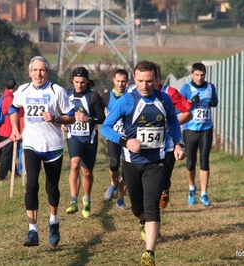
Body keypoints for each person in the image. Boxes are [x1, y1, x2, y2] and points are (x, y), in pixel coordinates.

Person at [101, 60, 185, 266]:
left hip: (156, 161)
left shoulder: (164, 99)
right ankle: (142, 221)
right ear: (134, 80)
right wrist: (126, 141)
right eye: (140, 81)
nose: (145, 86)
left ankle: (150, 253)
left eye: (149, 81)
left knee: (152, 206)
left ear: (156, 80)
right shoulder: (127, 101)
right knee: (138, 208)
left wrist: (178, 143)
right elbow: (106, 127)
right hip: (131, 162)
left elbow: (173, 122)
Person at [9, 56, 75, 247]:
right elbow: (14, 108)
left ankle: (54, 221)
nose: (38, 74)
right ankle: (33, 231)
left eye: (42, 70)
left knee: (52, 188)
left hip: (53, 145)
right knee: (31, 185)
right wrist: (14, 128)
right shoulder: (23, 90)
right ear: (30, 72)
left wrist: (55, 117)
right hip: (31, 143)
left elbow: (71, 118)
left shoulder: (57, 91)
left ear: (48, 73)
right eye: (35, 70)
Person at [62, 67, 105, 218]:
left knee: (87, 172)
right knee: (74, 164)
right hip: (74, 135)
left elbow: (102, 118)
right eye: (77, 82)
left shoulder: (93, 96)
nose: (79, 85)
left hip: (90, 137)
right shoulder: (66, 95)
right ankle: (73, 200)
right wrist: (63, 122)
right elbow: (62, 113)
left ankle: (86, 199)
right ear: (72, 81)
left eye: (82, 82)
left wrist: (88, 119)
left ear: (87, 81)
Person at [179, 62, 219, 206]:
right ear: (192, 74)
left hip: (206, 129)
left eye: (202, 75)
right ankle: (191, 188)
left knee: (204, 160)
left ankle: (204, 193)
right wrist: (190, 102)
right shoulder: (186, 88)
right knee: (190, 162)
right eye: (197, 75)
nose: (200, 78)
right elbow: (178, 108)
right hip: (190, 129)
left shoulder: (210, 87)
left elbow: (215, 102)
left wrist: (214, 102)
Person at [153, 64, 192, 210]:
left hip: (168, 145)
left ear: (158, 78)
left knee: (163, 179)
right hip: (147, 145)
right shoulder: (137, 93)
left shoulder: (170, 93)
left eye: (153, 79)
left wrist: (168, 124)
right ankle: (151, 215)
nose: (148, 83)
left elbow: (188, 113)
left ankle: (165, 187)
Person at [101, 69, 129, 210]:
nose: (120, 84)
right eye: (118, 81)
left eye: (123, 81)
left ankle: (121, 199)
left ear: (127, 82)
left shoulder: (131, 97)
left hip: (129, 137)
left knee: (127, 169)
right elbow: (97, 115)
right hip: (113, 136)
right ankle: (113, 184)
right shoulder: (106, 97)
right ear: (113, 81)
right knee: (114, 165)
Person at [0, 78, 20, 181]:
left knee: (9, 152)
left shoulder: (3, 96)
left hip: (1, 128)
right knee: (6, 153)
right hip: (7, 129)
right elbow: (14, 113)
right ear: (15, 87)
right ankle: (1, 175)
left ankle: (14, 172)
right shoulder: (10, 99)